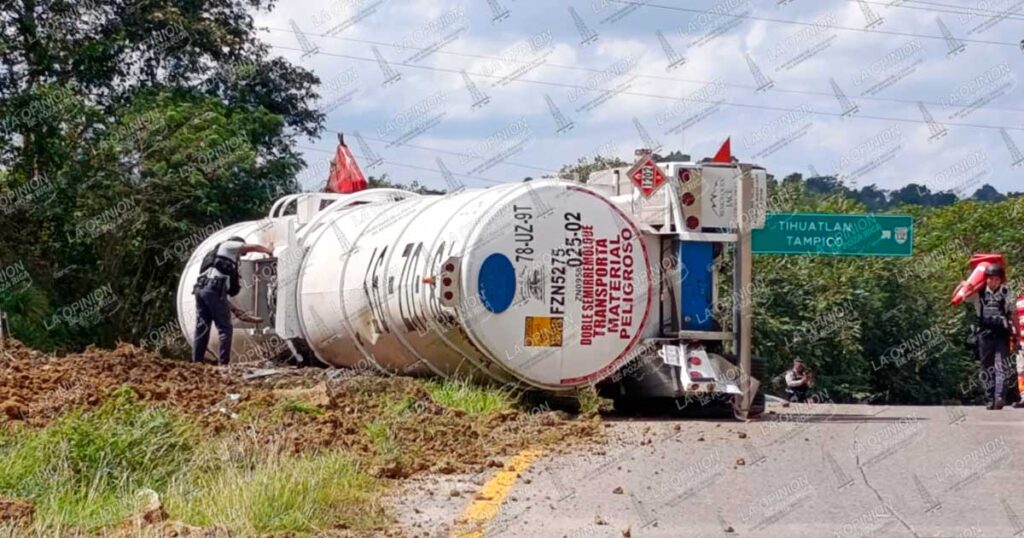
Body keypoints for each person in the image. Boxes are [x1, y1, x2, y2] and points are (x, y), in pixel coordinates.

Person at [192, 236, 273, 365]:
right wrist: (267, 250)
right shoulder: (229, 245)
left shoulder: (214, 257)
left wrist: (235, 310)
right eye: (241, 254)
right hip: (213, 288)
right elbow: (253, 247)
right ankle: (223, 364)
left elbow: (216, 294)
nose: (239, 257)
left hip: (201, 289)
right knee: (225, 328)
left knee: (202, 327)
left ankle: (196, 363)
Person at [969, 264, 1019, 410]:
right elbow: (961, 296)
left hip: (1002, 334)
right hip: (985, 335)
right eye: (991, 279)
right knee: (986, 367)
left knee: (1002, 367)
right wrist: (968, 284)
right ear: (987, 279)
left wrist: (1017, 334)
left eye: (997, 279)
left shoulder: (1006, 293)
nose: (995, 282)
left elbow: (1013, 313)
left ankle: (999, 398)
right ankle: (989, 398)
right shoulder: (979, 293)